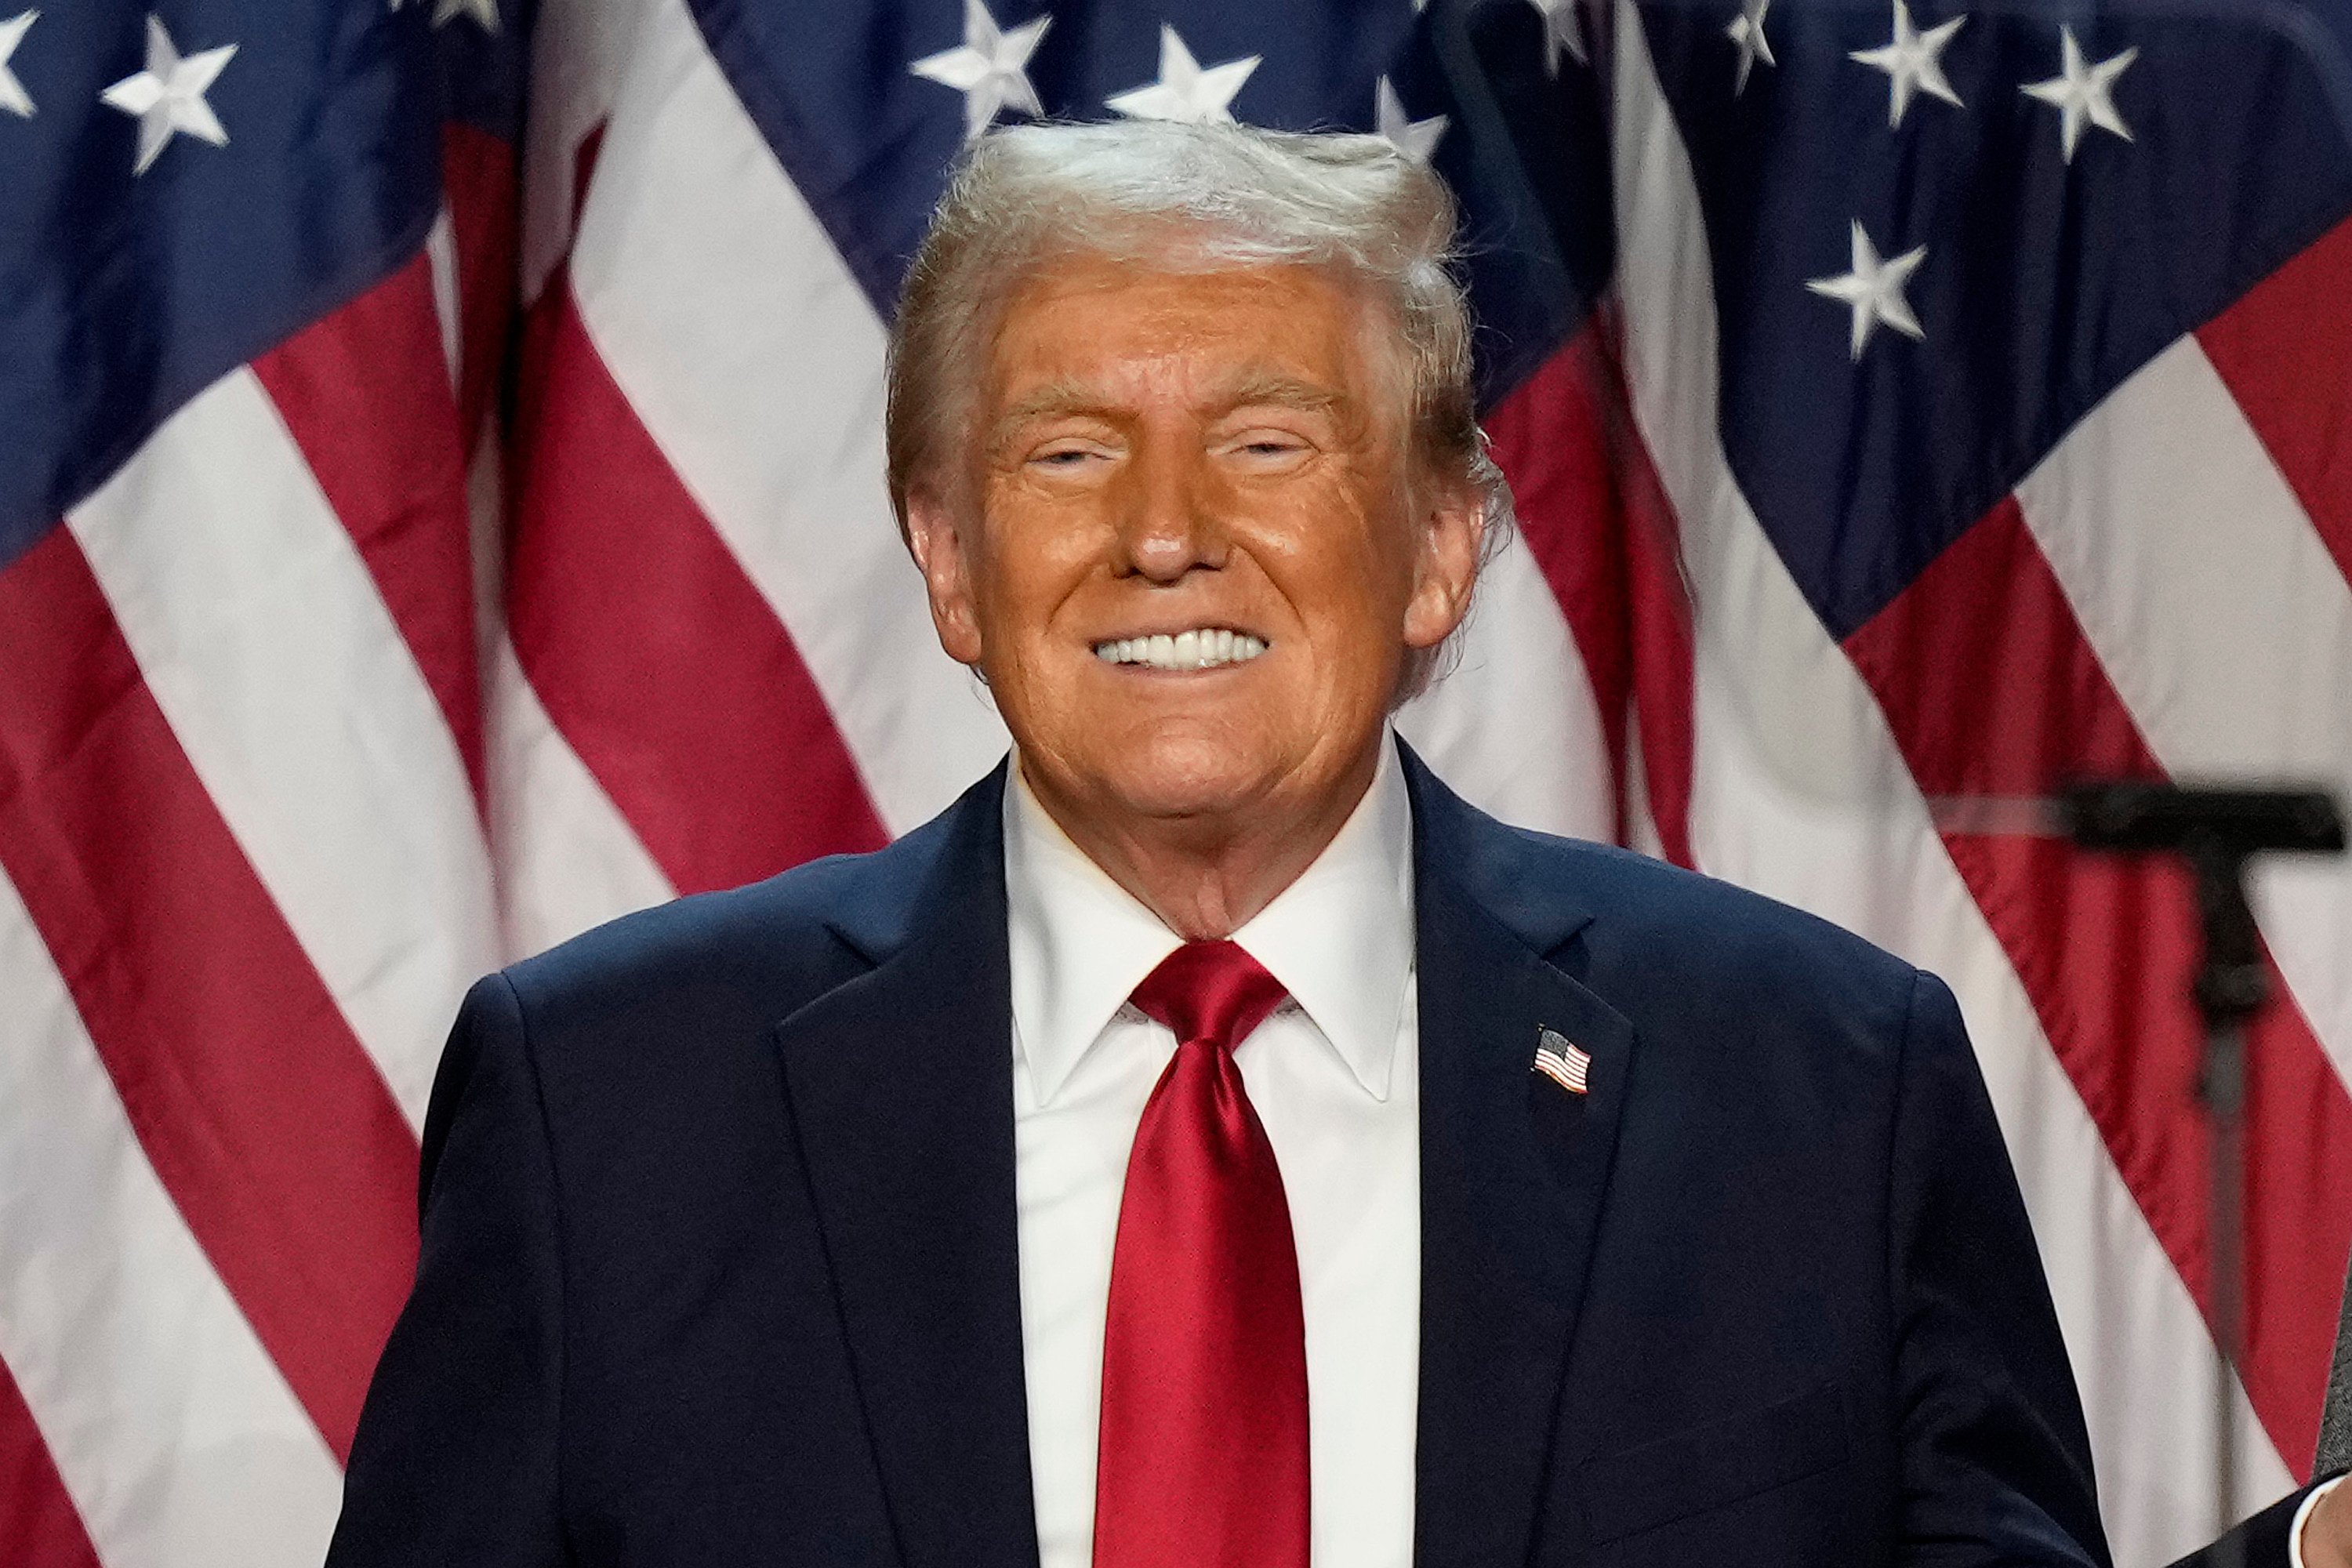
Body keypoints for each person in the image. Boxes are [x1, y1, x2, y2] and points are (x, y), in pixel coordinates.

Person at [327, 120, 2136, 1567]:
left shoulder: (1816, 1086)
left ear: (1439, 544)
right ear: (949, 559)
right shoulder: (613, 1102)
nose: (1166, 533)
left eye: (1268, 443)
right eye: (1066, 455)